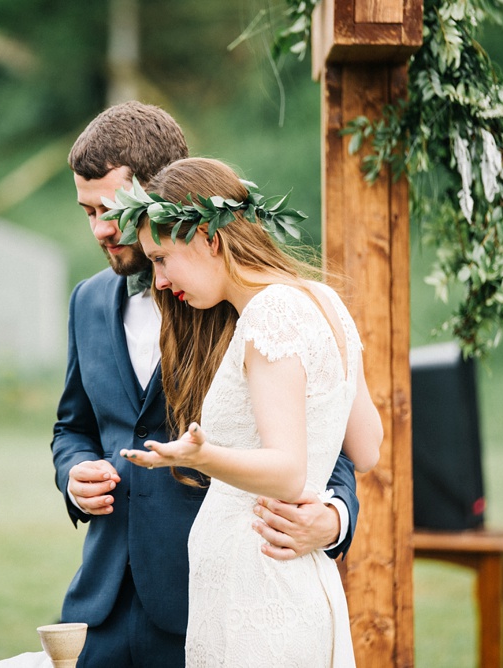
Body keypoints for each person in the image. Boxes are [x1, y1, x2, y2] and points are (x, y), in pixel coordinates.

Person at [52, 101, 362, 667]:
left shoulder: (243, 303)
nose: (98, 228)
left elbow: (324, 431)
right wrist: (73, 473)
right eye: (86, 210)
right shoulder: (87, 301)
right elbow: (72, 425)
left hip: (216, 596)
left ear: (163, 199)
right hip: (103, 606)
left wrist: (335, 515)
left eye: (109, 209)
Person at [114, 157, 383, 666]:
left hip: (257, 594)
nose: (161, 280)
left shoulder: (270, 313)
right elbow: (367, 447)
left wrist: (200, 455)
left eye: (163, 258)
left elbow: (287, 472)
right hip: (286, 583)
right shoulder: (323, 300)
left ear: (210, 240)